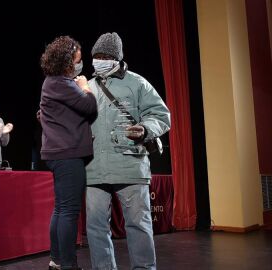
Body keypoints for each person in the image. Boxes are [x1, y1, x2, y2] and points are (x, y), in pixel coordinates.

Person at [85, 32, 171, 270]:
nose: (98, 60)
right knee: (95, 227)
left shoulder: (137, 83)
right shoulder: (87, 87)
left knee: (138, 225)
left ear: (116, 58)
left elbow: (161, 115)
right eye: (95, 56)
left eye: (104, 56)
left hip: (130, 165)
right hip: (94, 169)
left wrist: (145, 129)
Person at [39, 36, 97, 270]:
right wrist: (85, 88)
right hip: (66, 154)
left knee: (61, 209)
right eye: (77, 60)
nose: (79, 64)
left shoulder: (53, 83)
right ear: (66, 61)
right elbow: (89, 107)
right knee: (69, 211)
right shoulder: (61, 83)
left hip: (58, 154)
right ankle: (68, 265)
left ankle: (57, 260)